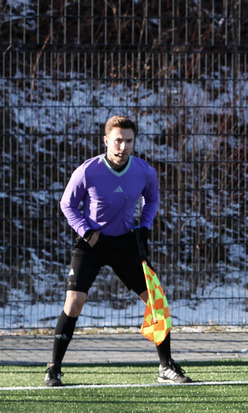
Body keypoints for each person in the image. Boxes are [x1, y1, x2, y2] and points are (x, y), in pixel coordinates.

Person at [45, 115, 191, 387]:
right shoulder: (87, 171)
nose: (122, 146)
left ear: (134, 142)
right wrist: (87, 232)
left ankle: (166, 366)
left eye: (128, 140)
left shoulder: (144, 171)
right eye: (118, 140)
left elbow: (152, 198)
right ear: (106, 141)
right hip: (91, 244)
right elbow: (67, 204)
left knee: (156, 300)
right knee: (74, 302)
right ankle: (54, 368)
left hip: (126, 243)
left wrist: (145, 227)